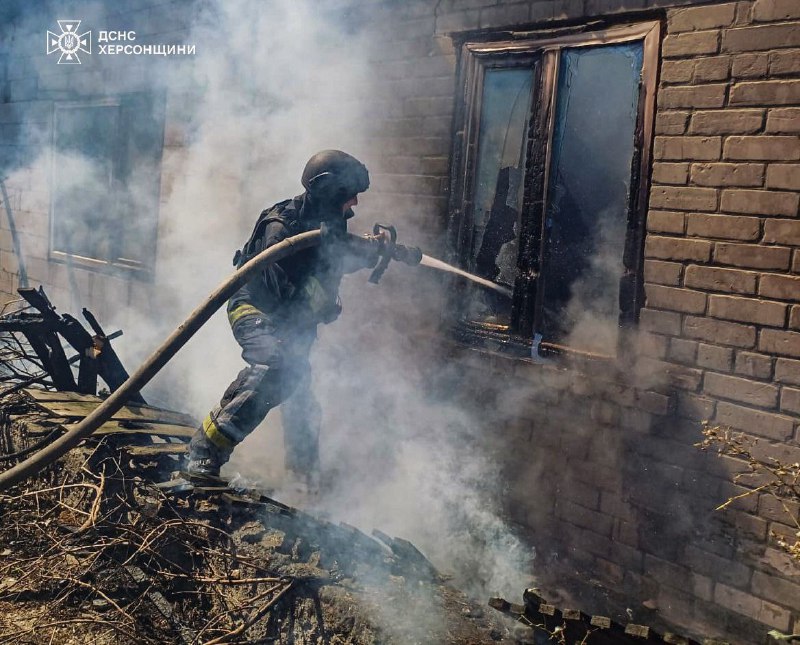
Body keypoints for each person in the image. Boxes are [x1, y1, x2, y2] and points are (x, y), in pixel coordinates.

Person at [186, 150, 376, 485]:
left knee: (300, 391)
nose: (355, 203)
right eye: (349, 196)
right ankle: (204, 451)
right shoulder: (282, 229)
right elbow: (285, 293)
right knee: (280, 372)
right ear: (329, 192)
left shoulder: (325, 223)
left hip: (292, 322)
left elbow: (337, 258)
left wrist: (373, 252)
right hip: (257, 311)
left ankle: (304, 473)